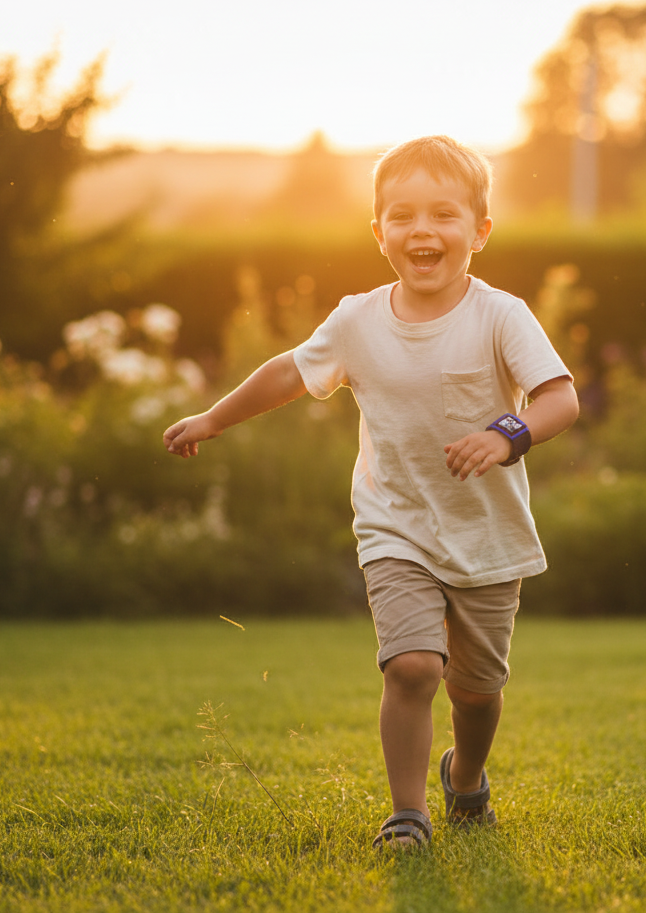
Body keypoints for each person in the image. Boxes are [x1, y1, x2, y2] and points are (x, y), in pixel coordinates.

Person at [163, 135, 578, 850]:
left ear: (479, 231)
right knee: (413, 666)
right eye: (403, 215)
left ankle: (467, 775)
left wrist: (506, 433)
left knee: (476, 694)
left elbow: (559, 398)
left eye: (444, 215)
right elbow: (289, 373)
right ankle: (407, 814)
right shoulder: (358, 319)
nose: (423, 231)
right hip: (396, 529)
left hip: (486, 536)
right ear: (378, 230)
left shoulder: (501, 315)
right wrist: (213, 416)